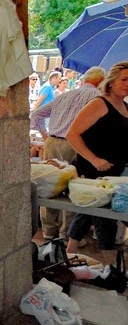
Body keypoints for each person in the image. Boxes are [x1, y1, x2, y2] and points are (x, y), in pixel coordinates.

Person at [30, 66, 106, 241]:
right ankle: (66, 235)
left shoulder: (65, 95)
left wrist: (44, 134)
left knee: (47, 186)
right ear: (101, 82)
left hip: (52, 142)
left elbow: (37, 114)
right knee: (72, 187)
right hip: (75, 144)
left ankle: (49, 232)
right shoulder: (97, 99)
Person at [65, 62, 128, 258]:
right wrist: (94, 159)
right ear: (111, 82)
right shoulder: (99, 103)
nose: (127, 84)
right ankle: (108, 266)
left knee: (88, 212)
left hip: (114, 171)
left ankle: (70, 252)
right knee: (104, 219)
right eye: (124, 79)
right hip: (94, 170)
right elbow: (72, 134)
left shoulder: (125, 106)